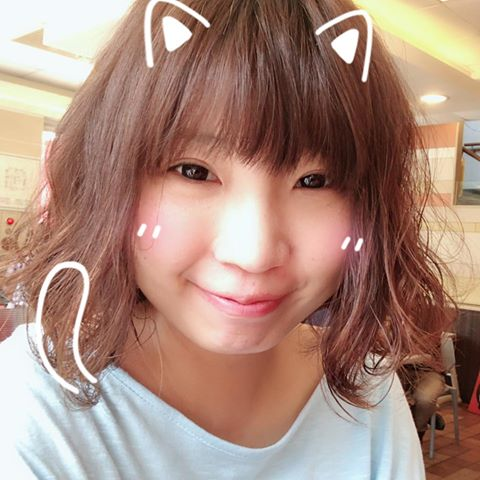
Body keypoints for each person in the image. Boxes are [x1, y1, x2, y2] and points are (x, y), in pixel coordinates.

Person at [0, 0, 461, 478]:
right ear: (105, 175)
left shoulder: (369, 393)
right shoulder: (31, 405)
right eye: (193, 171)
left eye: (315, 181)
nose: (253, 254)